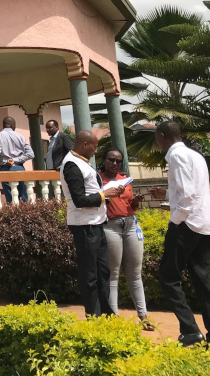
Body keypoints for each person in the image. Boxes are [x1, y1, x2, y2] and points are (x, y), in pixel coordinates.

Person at [149, 122, 210, 350]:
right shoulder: (195, 156)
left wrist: (175, 222)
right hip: (204, 225)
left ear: (163, 136)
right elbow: (190, 190)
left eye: (157, 138)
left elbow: (187, 196)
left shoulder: (176, 156)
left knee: (167, 276)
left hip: (187, 224)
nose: (157, 143)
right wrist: (166, 194)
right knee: (202, 281)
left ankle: (190, 331)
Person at [60, 130, 124, 317]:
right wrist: (105, 195)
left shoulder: (83, 163)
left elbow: (91, 191)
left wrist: (109, 192)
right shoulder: (71, 165)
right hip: (84, 225)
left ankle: (106, 313)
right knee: (90, 274)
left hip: (96, 223)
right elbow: (79, 200)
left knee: (103, 271)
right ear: (85, 144)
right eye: (95, 147)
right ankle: (93, 316)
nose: (96, 151)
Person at [99, 147, 153, 331]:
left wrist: (135, 202)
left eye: (118, 161)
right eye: (111, 160)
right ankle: (113, 319)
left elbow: (129, 204)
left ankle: (143, 316)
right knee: (113, 275)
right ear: (104, 160)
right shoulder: (99, 180)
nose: (115, 164)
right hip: (111, 226)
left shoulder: (125, 179)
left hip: (131, 224)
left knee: (135, 274)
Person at [0, 116, 34, 203]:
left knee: (11, 200)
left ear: (3, 125)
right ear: (13, 125)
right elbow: (30, 154)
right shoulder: (20, 136)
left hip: (5, 169)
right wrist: (16, 159)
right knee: (23, 199)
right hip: (20, 169)